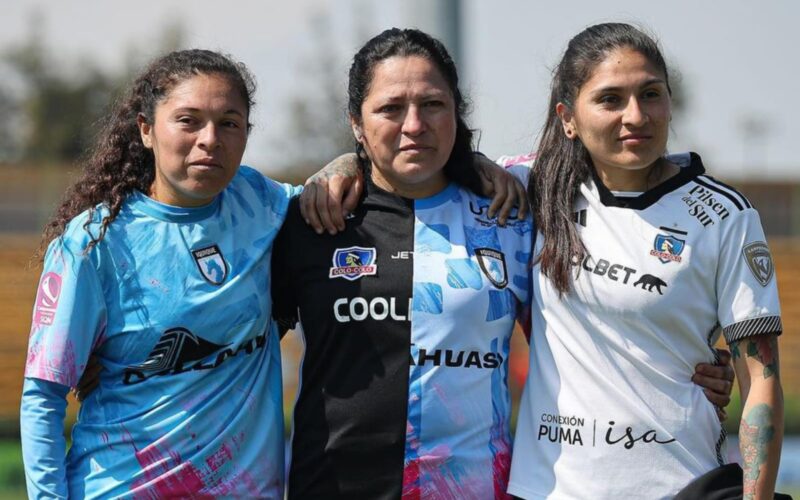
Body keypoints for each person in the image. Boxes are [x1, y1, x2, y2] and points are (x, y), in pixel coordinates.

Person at [20, 48, 528, 499]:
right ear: (146, 129)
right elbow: (43, 394)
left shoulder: (268, 207)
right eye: (188, 121)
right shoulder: (95, 242)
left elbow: (351, 182)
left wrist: (464, 162)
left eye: (229, 123)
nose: (209, 141)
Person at [275, 28, 735, 499]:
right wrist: (337, 167)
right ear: (356, 121)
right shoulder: (308, 218)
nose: (414, 124)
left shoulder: (513, 210)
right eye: (391, 109)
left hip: (472, 489)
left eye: (433, 104)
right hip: (327, 486)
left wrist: (684, 363)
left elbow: (606, 296)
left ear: (457, 112)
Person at [504, 23, 783, 499]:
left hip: (679, 485)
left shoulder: (723, 215)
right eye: (610, 99)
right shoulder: (530, 186)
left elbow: (761, 380)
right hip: (547, 489)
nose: (636, 115)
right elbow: (417, 168)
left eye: (651, 94)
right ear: (568, 117)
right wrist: (344, 167)